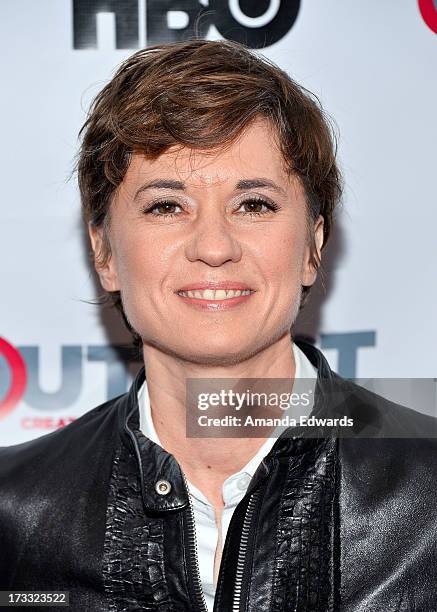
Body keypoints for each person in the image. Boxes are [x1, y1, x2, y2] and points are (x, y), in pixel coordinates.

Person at [0, 39, 436, 612]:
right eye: (166, 206)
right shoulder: (14, 510)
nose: (213, 247)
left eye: (253, 204)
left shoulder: (428, 492)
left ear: (313, 244)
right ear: (104, 251)